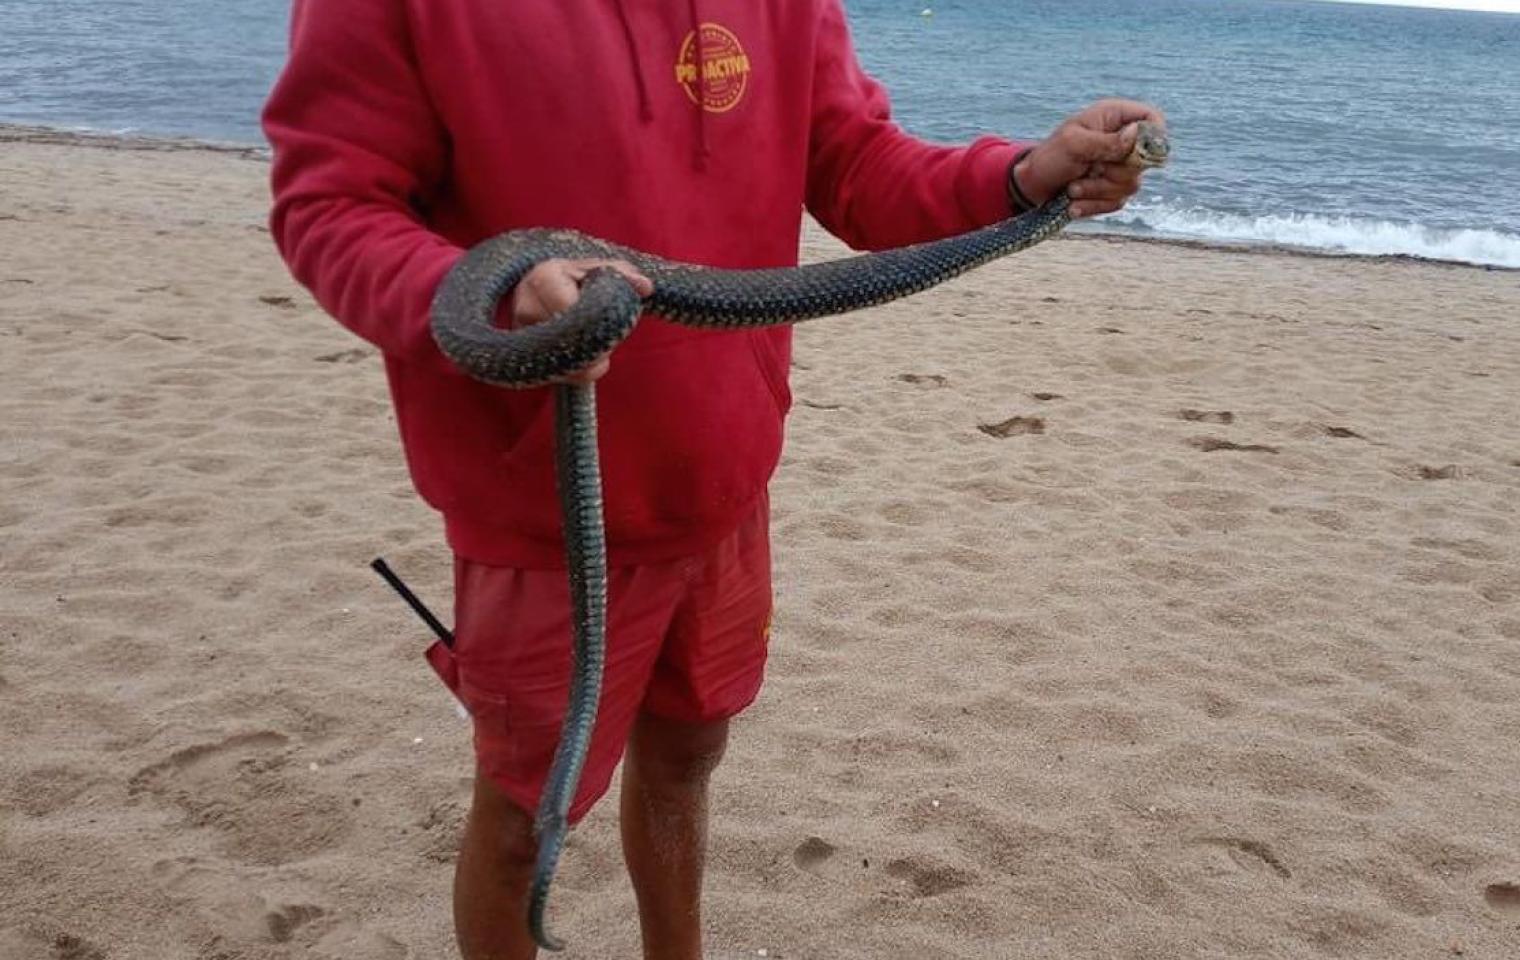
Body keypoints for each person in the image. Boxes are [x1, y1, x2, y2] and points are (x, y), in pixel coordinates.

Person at [262, 1, 1163, 957]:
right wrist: (497, 295)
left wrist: (1022, 176)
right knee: (534, 814)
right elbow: (330, 208)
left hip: (726, 475)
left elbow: (857, 166)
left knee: (690, 756)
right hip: (546, 504)